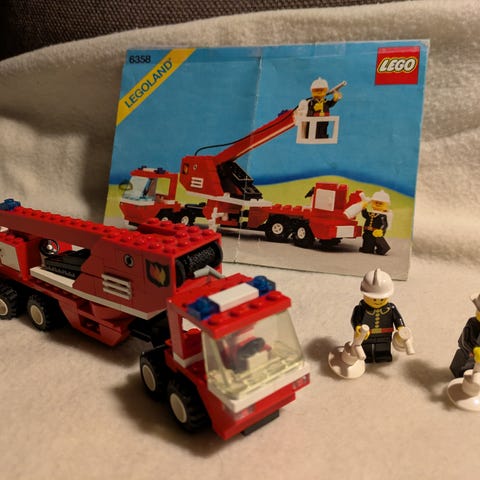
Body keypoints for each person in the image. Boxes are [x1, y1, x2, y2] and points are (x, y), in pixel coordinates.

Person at [350, 268, 413, 363]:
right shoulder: (361, 309)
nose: (378, 302)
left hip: (385, 334)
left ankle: (383, 356)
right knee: (366, 347)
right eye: (374, 299)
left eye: (381, 299)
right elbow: (355, 319)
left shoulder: (391, 308)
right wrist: (358, 327)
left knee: (383, 347)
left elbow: (397, 318)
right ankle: (368, 357)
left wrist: (401, 328)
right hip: (367, 335)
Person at [450, 293, 480, 378]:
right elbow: (463, 340)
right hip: (468, 355)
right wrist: (471, 351)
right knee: (464, 370)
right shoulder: (473, 323)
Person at [359, 189, 392, 255]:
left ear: (385, 205)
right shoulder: (371, 213)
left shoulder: (382, 216)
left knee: (373, 241)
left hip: (375, 232)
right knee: (366, 239)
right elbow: (365, 215)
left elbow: (384, 224)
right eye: (376, 202)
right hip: (367, 231)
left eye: (380, 203)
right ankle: (366, 248)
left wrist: (381, 230)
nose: (378, 204)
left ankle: (376, 249)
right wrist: (364, 208)